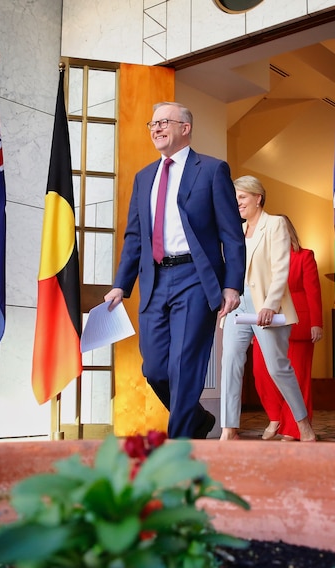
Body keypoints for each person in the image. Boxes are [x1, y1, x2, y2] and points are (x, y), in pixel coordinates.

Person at [104, 102, 245, 439]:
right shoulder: (144, 177)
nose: (156, 128)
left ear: (186, 127)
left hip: (196, 278)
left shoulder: (212, 170)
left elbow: (231, 234)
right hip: (154, 279)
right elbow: (135, 236)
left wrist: (232, 285)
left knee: (184, 366)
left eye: (164, 122)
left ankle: (179, 446)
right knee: (154, 368)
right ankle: (197, 420)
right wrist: (121, 284)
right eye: (152, 123)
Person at [218, 176, 316, 442]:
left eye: (242, 197)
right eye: (235, 198)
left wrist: (271, 305)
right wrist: (224, 300)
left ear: (258, 197)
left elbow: (281, 268)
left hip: (267, 305)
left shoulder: (276, 224)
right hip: (238, 304)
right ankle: (229, 429)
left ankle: (303, 423)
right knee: (230, 364)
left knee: (277, 367)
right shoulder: (235, 230)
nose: (237, 203)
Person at [252, 215, 323, 441]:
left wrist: (316, 323)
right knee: (261, 373)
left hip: (298, 324)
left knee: (298, 378)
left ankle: (294, 429)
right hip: (266, 322)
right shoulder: (262, 258)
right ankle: (275, 417)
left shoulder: (305, 256)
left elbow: (313, 291)